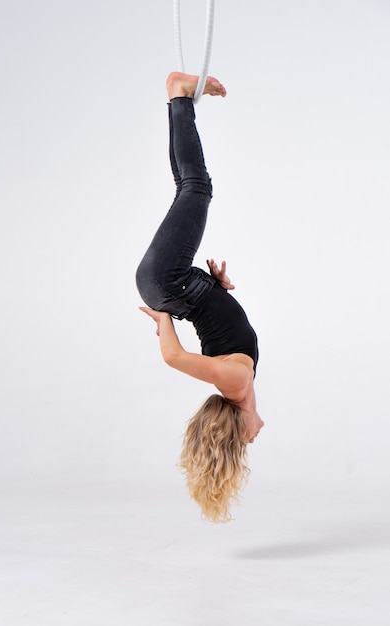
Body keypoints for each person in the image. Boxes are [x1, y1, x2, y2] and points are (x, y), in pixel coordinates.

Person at [136, 72, 264, 522]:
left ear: (233, 430)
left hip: (169, 283)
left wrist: (161, 316)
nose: (254, 440)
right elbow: (216, 321)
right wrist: (217, 288)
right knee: (188, 188)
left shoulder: (236, 385)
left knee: (197, 188)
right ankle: (176, 96)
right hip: (182, 285)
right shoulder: (237, 376)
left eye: (243, 443)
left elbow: (173, 357)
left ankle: (178, 90)